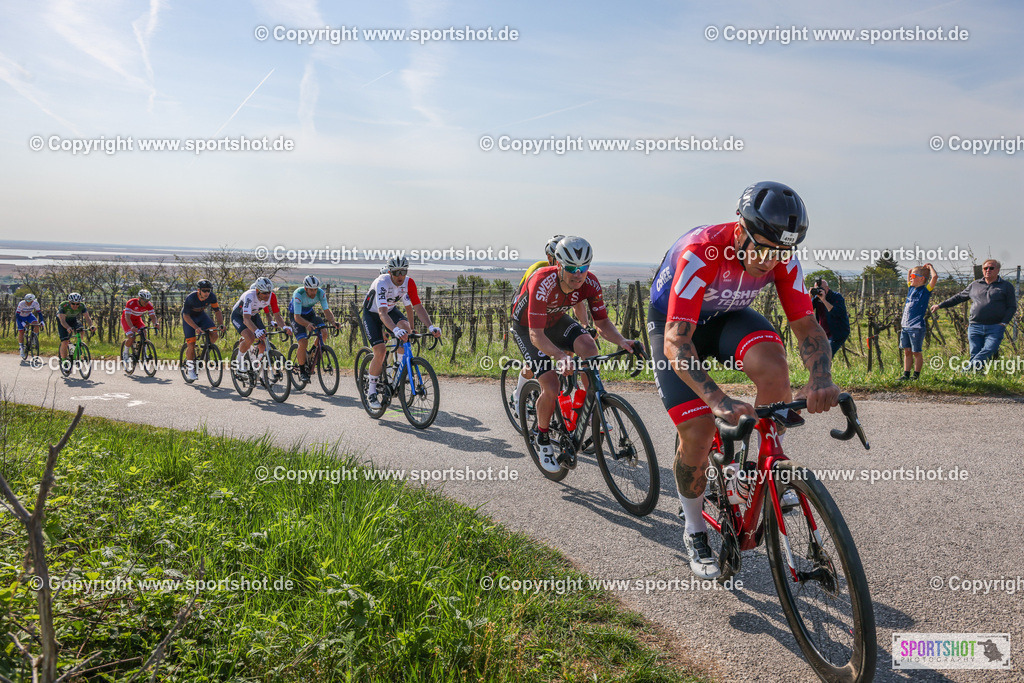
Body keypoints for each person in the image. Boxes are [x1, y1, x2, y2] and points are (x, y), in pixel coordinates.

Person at [648, 181, 840, 579]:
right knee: (697, 434)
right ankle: (694, 528)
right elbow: (676, 342)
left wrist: (821, 378)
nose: (772, 261)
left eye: (783, 252)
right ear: (741, 229)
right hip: (678, 328)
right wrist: (716, 398)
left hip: (726, 318)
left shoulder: (781, 258)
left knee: (775, 369)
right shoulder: (700, 253)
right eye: (765, 249)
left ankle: (767, 471)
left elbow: (806, 327)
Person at [510, 236, 641, 472]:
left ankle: (590, 405)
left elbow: (602, 323)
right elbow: (537, 336)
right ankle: (542, 438)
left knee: (589, 347)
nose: (578, 274)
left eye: (583, 268)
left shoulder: (590, 283)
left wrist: (623, 341)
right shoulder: (542, 281)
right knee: (550, 385)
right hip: (529, 327)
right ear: (558, 264)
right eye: (571, 268)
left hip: (557, 320)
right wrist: (560, 356)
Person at [510, 234, 590, 414]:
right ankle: (519, 393)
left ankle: (561, 392)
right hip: (529, 318)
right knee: (532, 366)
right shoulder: (539, 270)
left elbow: (578, 303)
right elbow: (529, 298)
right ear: (550, 258)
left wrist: (585, 325)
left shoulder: (569, 277)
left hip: (552, 317)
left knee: (569, 349)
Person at [361, 257, 442, 409]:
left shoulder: (408, 282)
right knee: (380, 350)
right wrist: (395, 330)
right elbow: (382, 313)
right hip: (372, 313)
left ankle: (398, 367)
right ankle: (371, 392)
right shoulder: (382, 282)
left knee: (407, 329)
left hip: (390, 310)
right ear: (390, 272)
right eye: (396, 272)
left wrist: (431, 327)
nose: (400, 276)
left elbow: (417, 307)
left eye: (403, 272)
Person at [930, 259, 1018, 372]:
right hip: (975, 326)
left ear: (998, 270)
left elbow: (1012, 307)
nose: (988, 270)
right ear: (982, 270)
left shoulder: (1006, 286)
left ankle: (966, 370)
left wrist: (1003, 323)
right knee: (975, 352)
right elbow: (959, 297)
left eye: (991, 268)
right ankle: (976, 376)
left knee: (990, 349)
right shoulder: (975, 285)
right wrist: (940, 305)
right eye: (985, 268)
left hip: (995, 326)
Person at [230, 277, 291, 371]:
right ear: (257, 291)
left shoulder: (272, 296)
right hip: (239, 316)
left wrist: (285, 326)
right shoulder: (249, 296)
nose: (267, 295)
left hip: (254, 315)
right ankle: (239, 362)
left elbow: (277, 316)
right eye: (264, 293)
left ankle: (256, 365)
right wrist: (256, 331)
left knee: (263, 341)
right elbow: (246, 319)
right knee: (250, 337)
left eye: (269, 292)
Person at [290, 275, 339, 383]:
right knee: (303, 342)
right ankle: (302, 371)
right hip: (296, 315)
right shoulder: (299, 294)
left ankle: (312, 352)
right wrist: (307, 324)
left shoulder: (321, 293)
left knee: (324, 332)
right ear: (306, 288)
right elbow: (297, 317)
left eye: (315, 289)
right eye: (311, 290)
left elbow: (326, 310)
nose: (313, 292)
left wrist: (333, 322)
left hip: (309, 313)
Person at [898, 264, 938, 381]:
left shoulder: (925, 291)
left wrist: (930, 267)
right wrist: (911, 271)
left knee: (916, 352)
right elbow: (909, 274)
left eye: (913, 276)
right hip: (905, 326)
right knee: (907, 351)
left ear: (921, 279)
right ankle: (906, 374)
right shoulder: (911, 288)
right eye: (910, 276)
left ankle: (916, 375)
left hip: (916, 327)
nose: (910, 278)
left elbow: (934, 277)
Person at [181, 279, 224, 381]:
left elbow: (217, 311)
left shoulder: (212, 297)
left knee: (214, 334)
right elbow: (186, 316)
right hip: (189, 318)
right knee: (191, 344)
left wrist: (221, 324)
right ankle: (190, 368)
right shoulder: (191, 298)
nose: (207, 293)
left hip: (201, 316)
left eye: (208, 290)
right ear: (198, 290)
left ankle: (206, 351)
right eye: (204, 290)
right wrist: (196, 327)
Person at [810, 278, 850, 357]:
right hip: (823, 332)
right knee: (817, 356)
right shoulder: (816, 299)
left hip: (837, 332)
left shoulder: (837, 297)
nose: (819, 291)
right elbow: (807, 310)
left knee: (826, 356)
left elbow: (837, 313)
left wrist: (824, 300)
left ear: (828, 288)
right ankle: (824, 369)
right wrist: (810, 297)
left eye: (821, 289)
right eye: (817, 289)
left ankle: (825, 368)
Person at [57, 293, 96, 370]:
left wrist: (91, 326)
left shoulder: (82, 306)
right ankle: (64, 361)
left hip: (73, 319)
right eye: (73, 304)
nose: (75, 306)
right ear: (69, 302)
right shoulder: (63, 306)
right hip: (63, 321)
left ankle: (76, 347)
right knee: (65, 341)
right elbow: (62, 321)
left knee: (81, 330)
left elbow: (87, 318)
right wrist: (67, 327)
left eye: (77, 304)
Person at [120, 290, 159, 363]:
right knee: (132, 337)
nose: (146, 302)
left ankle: (144, 354)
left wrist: (155, 324)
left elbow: (153, 316)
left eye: (147, 300)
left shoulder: (149, 305)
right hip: (127, 320)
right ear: (139, 298)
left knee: (144, 332)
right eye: (144, 300)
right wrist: (131, 327)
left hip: (137, 320)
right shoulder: (131, 303)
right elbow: (127, 317)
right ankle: (125, 353)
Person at [16, 293, 43, 359]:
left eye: (29, 301)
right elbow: (17, 315)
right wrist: (22, 322)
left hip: (29, 315)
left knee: (36, 324)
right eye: (26, 301)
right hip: (20, 317)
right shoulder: (21, 304)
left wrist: (42, 321)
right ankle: (21, 347)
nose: (27, 303)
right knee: (21, 332)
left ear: (32, 301)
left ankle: (34, 338)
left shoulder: (35, 303)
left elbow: (39, 313)